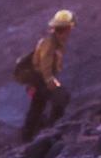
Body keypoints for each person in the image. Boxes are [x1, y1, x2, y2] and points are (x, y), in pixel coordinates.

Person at [21, 10, 75, 141]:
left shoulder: (56, 42)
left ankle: (29, 137)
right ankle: (52, 130)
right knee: (61, 97)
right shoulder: (50, 42)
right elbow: (45, 64)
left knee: (37, 106)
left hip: (40, 79)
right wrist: (51, 82)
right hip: (41, 79)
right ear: (66, 28)